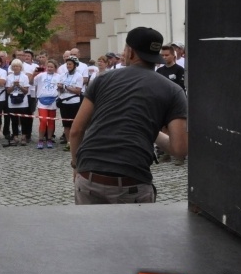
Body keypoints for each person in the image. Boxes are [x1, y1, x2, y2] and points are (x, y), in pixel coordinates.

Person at [70, 27, 188, 205]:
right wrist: (148, 128)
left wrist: (76, 165)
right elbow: (180, 149)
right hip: (132, 182)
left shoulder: (102, 80)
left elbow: (76, 131)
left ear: (130, 52)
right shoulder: (173, 90)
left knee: (91, 233)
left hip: (89, 177)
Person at [57, 56, 84, 151]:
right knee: (66, 125)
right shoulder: (63, 75)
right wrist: (60, 87)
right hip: (63, 102)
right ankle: (69, 143)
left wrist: (65, 87)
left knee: (74, 124)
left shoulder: (79, 76)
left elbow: (78, 91)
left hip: (74, 102)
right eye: (67, 64)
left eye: (70, 64)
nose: (68, 66)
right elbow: (59, 88)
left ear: (75, 65)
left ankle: (75, 142)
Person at [34, 59, 60, 149]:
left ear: (55, 68)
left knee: (51, 122)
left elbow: (61, 88)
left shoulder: (59, 76)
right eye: (48, 66)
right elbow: (32, 83)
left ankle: (49, 138)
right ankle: (40, 139)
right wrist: (34, 74)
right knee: (43, 121)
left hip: (53, 101)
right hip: (42, 101)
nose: (49, 68)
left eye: (51, 67)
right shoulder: (41, 75)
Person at [4, 58, 30, 147]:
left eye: (17, 66)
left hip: (23, 101)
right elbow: (8, 91)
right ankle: (15, 136)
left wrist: (19, 85)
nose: (15, 68)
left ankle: (24, 136)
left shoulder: (25, 76)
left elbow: (26, 91)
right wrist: (13, 86)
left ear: (20, 67)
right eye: (14, 66)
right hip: (12, 101)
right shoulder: (9, 77)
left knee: (24, 120)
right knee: (14, 120)